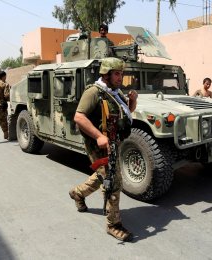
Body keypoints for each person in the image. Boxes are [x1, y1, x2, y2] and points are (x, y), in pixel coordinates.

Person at [69, 57, 138, 242]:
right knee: (113, 181)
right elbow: (79, 117)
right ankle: (113, 224)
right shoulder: (94, 92)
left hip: (114, 142)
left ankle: (77, 193)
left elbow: (127, 112)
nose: (120, 77)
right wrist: (99, 136)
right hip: (99, 145)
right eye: (117, 73)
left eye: (121, 74)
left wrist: (132, 101)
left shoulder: (114, 92)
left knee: (103, 176)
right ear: (106, 74)